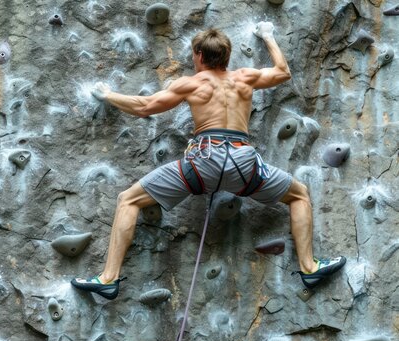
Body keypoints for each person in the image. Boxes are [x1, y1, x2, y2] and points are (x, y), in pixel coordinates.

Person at [71, 23, 346, 300]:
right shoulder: (245, 78)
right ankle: (309, 267)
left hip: (203, 162)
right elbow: (282, 72)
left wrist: (107, 95)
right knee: (299, 194)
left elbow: (145, 106)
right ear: (227, 57)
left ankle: (108, 278)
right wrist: (268, 36)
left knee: (128, 200)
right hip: (244, 164)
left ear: (199, 56)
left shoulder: (192, 83)